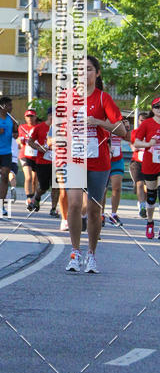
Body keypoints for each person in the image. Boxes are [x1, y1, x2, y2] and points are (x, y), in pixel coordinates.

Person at [60, 56, 125, 274]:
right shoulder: (67, 98)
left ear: (96, 73)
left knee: (95, 211)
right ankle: (75, 252)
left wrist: (98, 122)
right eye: (80, 70)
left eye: (88, 69)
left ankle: (91, 254)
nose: (83, 74)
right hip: (75, 160)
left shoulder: (103, 98)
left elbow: (122, 131)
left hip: (99, 161)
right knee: (76, 204)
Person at [133, 98, 160, 240]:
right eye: (157, 106)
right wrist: (149, 143)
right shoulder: (147, 123)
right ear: (152, 108)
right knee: (151, 196)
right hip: (150, 163)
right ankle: (150, 222)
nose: (159, 109)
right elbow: (136, 142)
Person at [102, 120, 129, 227]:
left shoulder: (118, 124)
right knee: (102, 189)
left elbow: (129, 138)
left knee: (116, 187)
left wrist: (126, 128)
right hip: (104, 160)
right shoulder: (102, 123)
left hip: (117, 160)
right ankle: (101, 213)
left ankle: (113, 214)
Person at [18, 109, 39, 211]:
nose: (30, 118)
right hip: (25, 154)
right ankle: (29, 198)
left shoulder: (39, 127)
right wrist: (20, 140)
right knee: (29, 177)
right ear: (25, 118)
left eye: (32, 116)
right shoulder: (22, 127)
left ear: (35, 117)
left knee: (35, 179)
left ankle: (34, 198)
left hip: (36, 155)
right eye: (28, 116)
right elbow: (19, 139)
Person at [130, 114, 150, 221]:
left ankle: (143, 203)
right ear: (138, 121)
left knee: (148, 187)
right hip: (137, 162)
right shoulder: (135, 132)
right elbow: (130, 141)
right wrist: (132, 146)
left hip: (149, 162)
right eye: (141, 120)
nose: (143, 122)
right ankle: (142, 207)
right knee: (140, 183)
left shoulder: (152, 133)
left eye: (145, 120)